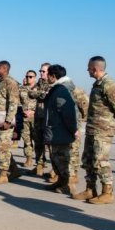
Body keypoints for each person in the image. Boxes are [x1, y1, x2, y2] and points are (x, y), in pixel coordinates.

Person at [72, 56, 115, 204]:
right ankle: (90, 189)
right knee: (88, 160)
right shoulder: (97, 84)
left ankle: (107, 192)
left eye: (89, 67)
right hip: (93, 128)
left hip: (103, 130)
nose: (87, 70)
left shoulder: (108, 84)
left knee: (101, 160)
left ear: (95, 69)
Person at [43, 64, 79, 195]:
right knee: (56, 158)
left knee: (63, 160)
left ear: (53, 76)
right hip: (55, 131)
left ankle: (68, 185)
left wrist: (73, 129)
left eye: (48, 74)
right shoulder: (56, 89)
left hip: (61, 131)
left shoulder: (61, 90)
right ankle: (61, 182)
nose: (46, 77)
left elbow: (68, 113)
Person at [0, 60, 21, 185]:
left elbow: (13, 103)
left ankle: (3, 174)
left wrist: (8, 121)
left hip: (5, 121)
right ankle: (14, 169)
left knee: (3, 147)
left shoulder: (10, 83)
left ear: (4, 69)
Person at [28, 63, 51, 177]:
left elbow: (48, 95)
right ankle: (39, 166)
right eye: (40, 71)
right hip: (38, 117)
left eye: (43, 71)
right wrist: (42, 93)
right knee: (38, 143)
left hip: (48, 118)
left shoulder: (52, 83)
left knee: (51, 145)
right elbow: (31, 93)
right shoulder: (39, 83)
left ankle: (55, 171)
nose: (41, 73)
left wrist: (41, 94)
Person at [70, 86, 89, 183]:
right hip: (60, 124)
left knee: (73, 149)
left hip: (73, 124)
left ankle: (73, 175)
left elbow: (85, 107)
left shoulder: (75, 90)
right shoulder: (53, 88)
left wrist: (80, 119)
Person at [19, 70, 38, 168]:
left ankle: (40, 162)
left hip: (36, 118)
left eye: (30, 77)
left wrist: (34, 111)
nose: (28, 78)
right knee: (26, 139)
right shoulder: (21, 89)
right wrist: (22, 111)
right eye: (27, 76)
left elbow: (42, 103)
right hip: (24, 118)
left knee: (38, 140)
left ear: (35, 78)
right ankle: (29, 158)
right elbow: (18, 102)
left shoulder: (39, 89)